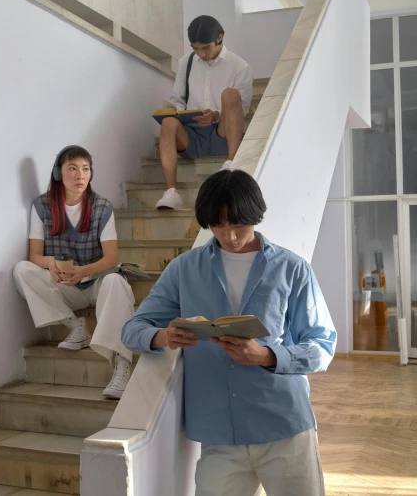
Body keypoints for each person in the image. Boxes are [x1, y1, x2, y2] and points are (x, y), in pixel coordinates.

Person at [122, 170, 335, 496]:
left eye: (238, 224)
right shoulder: (184, 269)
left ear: (255, 216)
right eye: (218, 225)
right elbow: (132, 329)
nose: (230, 235)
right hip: (219, 436)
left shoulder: (292, 269)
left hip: (285, 427)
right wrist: (163, 337)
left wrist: (266, 355)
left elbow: (321, 346)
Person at [14, 145, 135, 399]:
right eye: (72, 168)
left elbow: (111, 258)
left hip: (95, 282)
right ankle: (74, 326)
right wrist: (51, 264)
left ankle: (122, 364)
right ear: (59, 173)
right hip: (64, 286)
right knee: (21, 270)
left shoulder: (102, 207)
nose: (80, 175)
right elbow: (34, 256)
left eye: (86, 169)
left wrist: (85, 271)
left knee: (116, 282)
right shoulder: (42, 206)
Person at [156, 15, 253, 211]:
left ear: (220, 38)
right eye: (195, 48)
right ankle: (171, 193)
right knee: (168, 122)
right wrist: (180, 112)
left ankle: (231, 163)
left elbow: (241, 109)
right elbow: (178, 99)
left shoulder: (239, 66)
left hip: (224, 134)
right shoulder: (186, 63)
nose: (200, 53)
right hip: (192, 134)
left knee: (230, 94)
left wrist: (216, 115)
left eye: (205, 48)